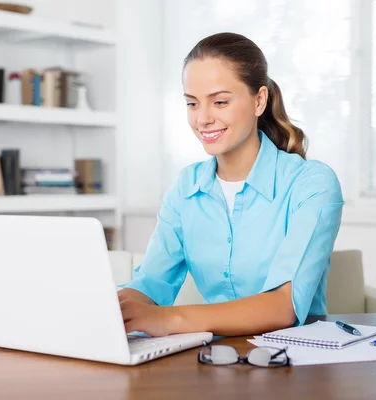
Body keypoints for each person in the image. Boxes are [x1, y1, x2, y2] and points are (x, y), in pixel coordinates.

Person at [118, 32, 344, 338]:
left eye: (220, 102)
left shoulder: (311, 184)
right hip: (215, 362)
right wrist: (112, 309)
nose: (203, 119)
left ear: (259, 100)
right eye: (192, 104)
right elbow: (150, 284)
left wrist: (169, 320)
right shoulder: (186, 187)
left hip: (295, 364)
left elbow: (282, 305)